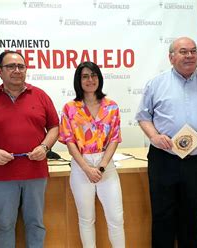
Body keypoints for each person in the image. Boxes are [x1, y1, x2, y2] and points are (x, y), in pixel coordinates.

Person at [135, 37, 197, 248]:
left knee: (192, 214)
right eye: (183, 52)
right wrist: (154, 136)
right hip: (164, 158)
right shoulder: (156, 83)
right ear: (171, 57)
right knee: (162, 215)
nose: (189, 56)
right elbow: (143, 116)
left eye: (193, 51)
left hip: (196, 161)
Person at [0, 51, 59, 248]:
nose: (17, 71)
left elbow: (54, 127)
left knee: (35, 224)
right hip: (1, 175)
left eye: (21, 66)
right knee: (4, 225)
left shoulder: (41, 96)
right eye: (10, 67)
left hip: (35, 172)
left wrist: (45, 146)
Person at [59, 61, 125, 248]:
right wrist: (87, 168)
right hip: (81, 166)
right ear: (78, 80)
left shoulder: (111, 106)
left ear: (99, 78)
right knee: (86, 219)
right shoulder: (70, 108)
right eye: (85, 76)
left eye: (94, 75)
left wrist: (102, 166)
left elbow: (114, 138)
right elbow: (69, 141)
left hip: (106, 165)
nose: (90, 80)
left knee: (116, 217)